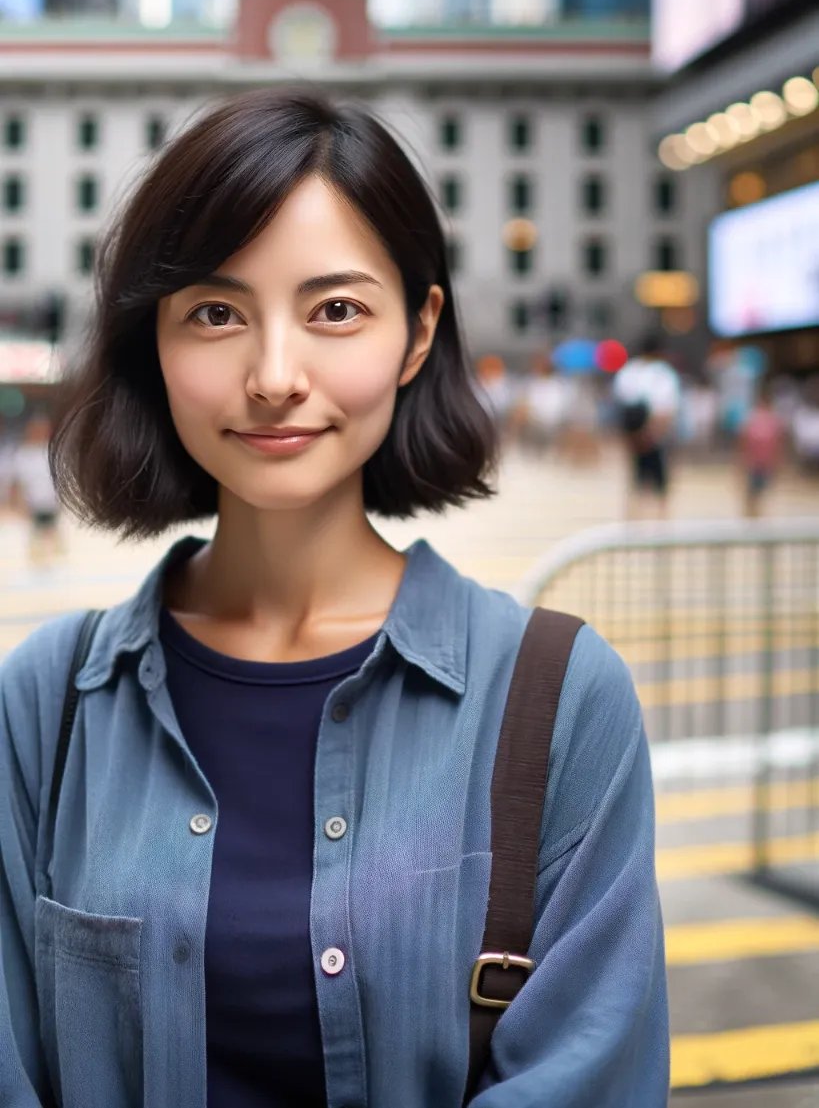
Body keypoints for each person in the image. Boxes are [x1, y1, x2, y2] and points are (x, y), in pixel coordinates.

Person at [0, 90, 668, 1108]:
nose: (275, 374)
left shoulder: (559, 700)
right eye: (216, 312)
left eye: (336, 310)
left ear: (417, 331)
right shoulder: (47, 705)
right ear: (156, 345)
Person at [611, 332, 681, 517]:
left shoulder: (628, 371)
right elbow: (666, 409)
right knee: (659, 484)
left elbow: (620, 405)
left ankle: (634, 521)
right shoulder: (663, 373)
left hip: (634, 435)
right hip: (654, 435)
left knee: (637, 481)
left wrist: (632, 436)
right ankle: (660, 523)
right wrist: (652, 433)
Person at [9, 411, 63, 564]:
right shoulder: (23, 454)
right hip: (33, 503)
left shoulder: (53, 452)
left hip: (51, 502)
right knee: (35, 538)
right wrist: (19, 503)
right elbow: (18, 482)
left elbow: (60, 480)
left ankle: (51, 563)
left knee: (52, 536)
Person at [738, 386, 785, 516]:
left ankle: (754, 513)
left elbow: (778, 444)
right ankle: (751, 513)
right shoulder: (754, 418)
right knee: (753, 491)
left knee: (758, 491)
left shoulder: (772, 420)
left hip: (763, 461)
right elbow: (743, 441)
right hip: (756, 461)